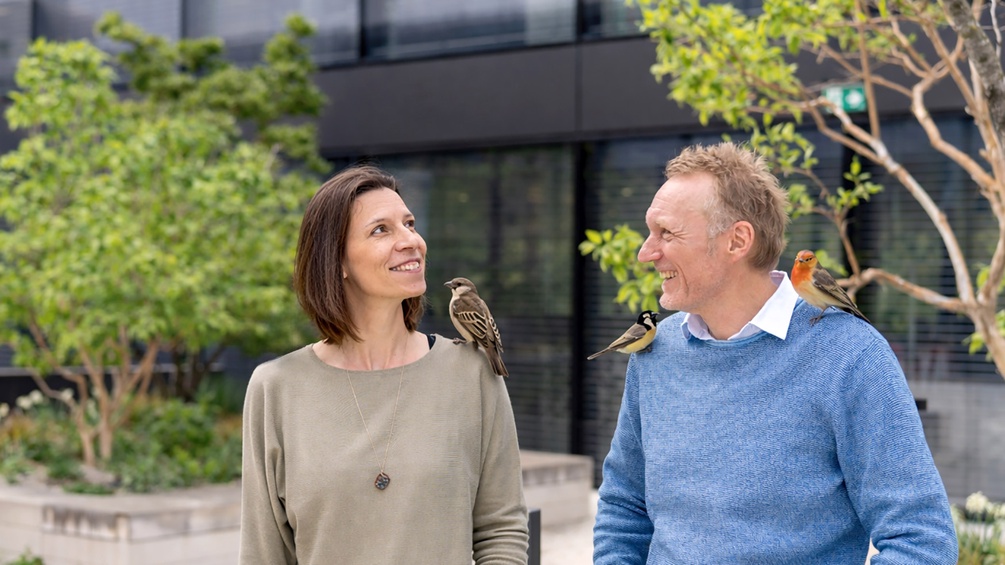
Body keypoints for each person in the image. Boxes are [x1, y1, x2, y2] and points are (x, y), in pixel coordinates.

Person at [593, 142, 958, 564]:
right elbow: (624, 508)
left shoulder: (851, 357)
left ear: (737, 241)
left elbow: (921, 540)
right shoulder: (656, 354)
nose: (646, 252)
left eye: (667, 233)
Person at [240, 164, 528, 564]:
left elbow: (502, 530)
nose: (411, 240)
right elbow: (263, 552)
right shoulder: (275, 387)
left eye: (409, 224)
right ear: (337, 262)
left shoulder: (473, 372)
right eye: (381, 230)